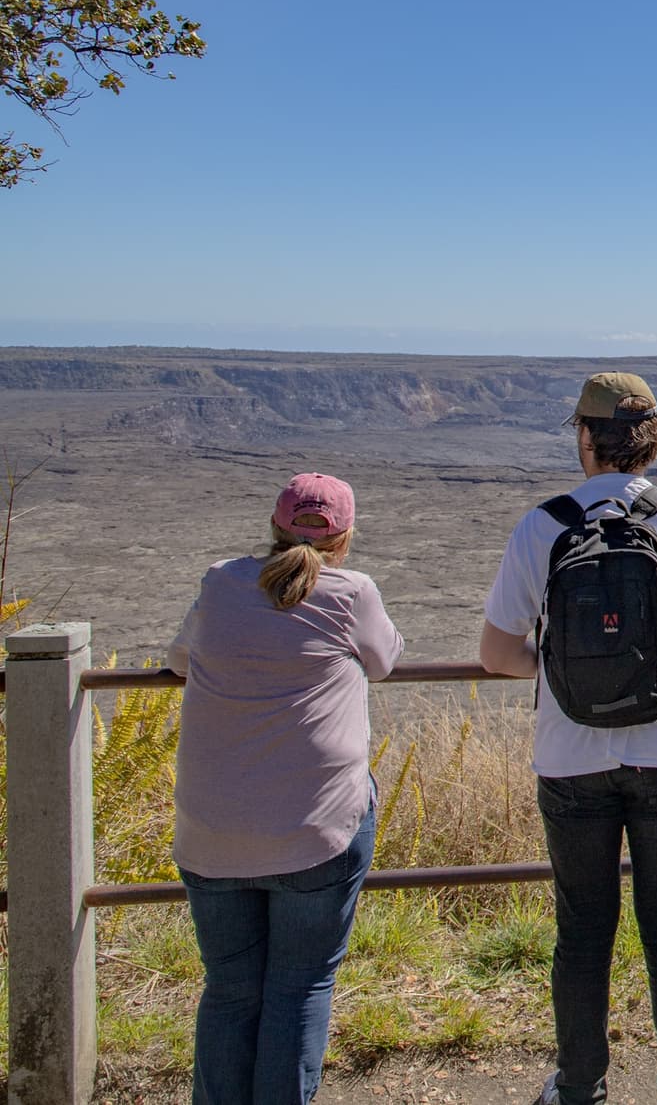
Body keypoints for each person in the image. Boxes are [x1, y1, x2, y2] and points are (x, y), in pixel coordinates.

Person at [480, 371, 657, 1105]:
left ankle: (577, 1087)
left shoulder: (542, 527)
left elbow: (498, 655)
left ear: (584, 438)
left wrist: (569, 668)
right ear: (651, 440)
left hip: (569, 759)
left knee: (582, 929)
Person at [170, 472, 404, 1105]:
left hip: (210, 829)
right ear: (346, 537)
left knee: (229, 990)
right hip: (316, 830)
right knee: (298, 987)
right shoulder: (352, 592)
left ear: (274, 528)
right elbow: (384, 662)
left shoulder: (220, 582)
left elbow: (179, 660)